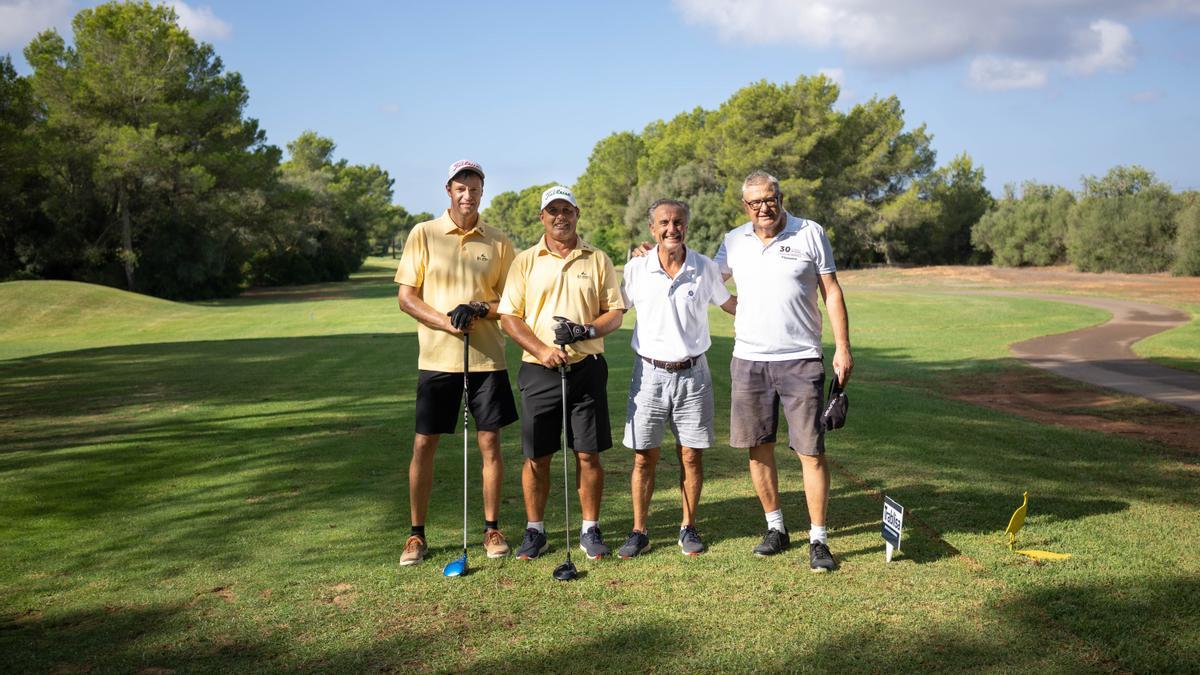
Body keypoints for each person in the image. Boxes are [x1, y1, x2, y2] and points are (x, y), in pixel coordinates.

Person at [714, 170, 853, 573]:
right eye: (755, 202)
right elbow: (707, 280)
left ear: (780, 197)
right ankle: (776, 528)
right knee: (758, 448)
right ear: (745, 206)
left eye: (769, 199)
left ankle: (818, 538)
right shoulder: (734, 240)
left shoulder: (810, 232)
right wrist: (649, 254)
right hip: (749, 360)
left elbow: (832, 290)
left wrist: (842, 346)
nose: (764, 207)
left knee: (810, 451)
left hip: (801, 358)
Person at [395, 159, 518, 566]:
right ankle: (416, 535)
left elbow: (515, 303)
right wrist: (447, 321)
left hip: (487, 360)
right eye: (460, 188)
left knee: (490, 443)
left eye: (475, 188)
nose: (468, 195)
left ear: (483, 192)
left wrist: (480, 307)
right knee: (424, 443)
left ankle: (491, 528)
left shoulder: (498, 241)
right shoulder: (424, 234)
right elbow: (407, 297)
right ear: (448, 190)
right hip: (436, 359)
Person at [498, 185, 625, 561]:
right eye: (552, 210)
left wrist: (586, 330)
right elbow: (509, 317)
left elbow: (615, 312)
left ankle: (590, 529)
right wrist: (540, 349)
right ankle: (535, 531)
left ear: (577, 213)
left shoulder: (597, 259)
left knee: (588, 454)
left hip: (586, 368)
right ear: (542, 217)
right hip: (539, 371)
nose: (560, 217)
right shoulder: (525, 261)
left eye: (566, 210)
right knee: (537, 456)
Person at [617, 199, 736, 559]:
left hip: (693, 374)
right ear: (652, 229)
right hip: (648, 375)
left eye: (678, 222)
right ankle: (639, 531)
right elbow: (614, 310)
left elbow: (731, 306)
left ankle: (688, 527)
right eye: (664, 222)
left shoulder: (704, 267)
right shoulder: (637, 268)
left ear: (687, 225)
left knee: (691, 456)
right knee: (643, 458)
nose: (672, 228)